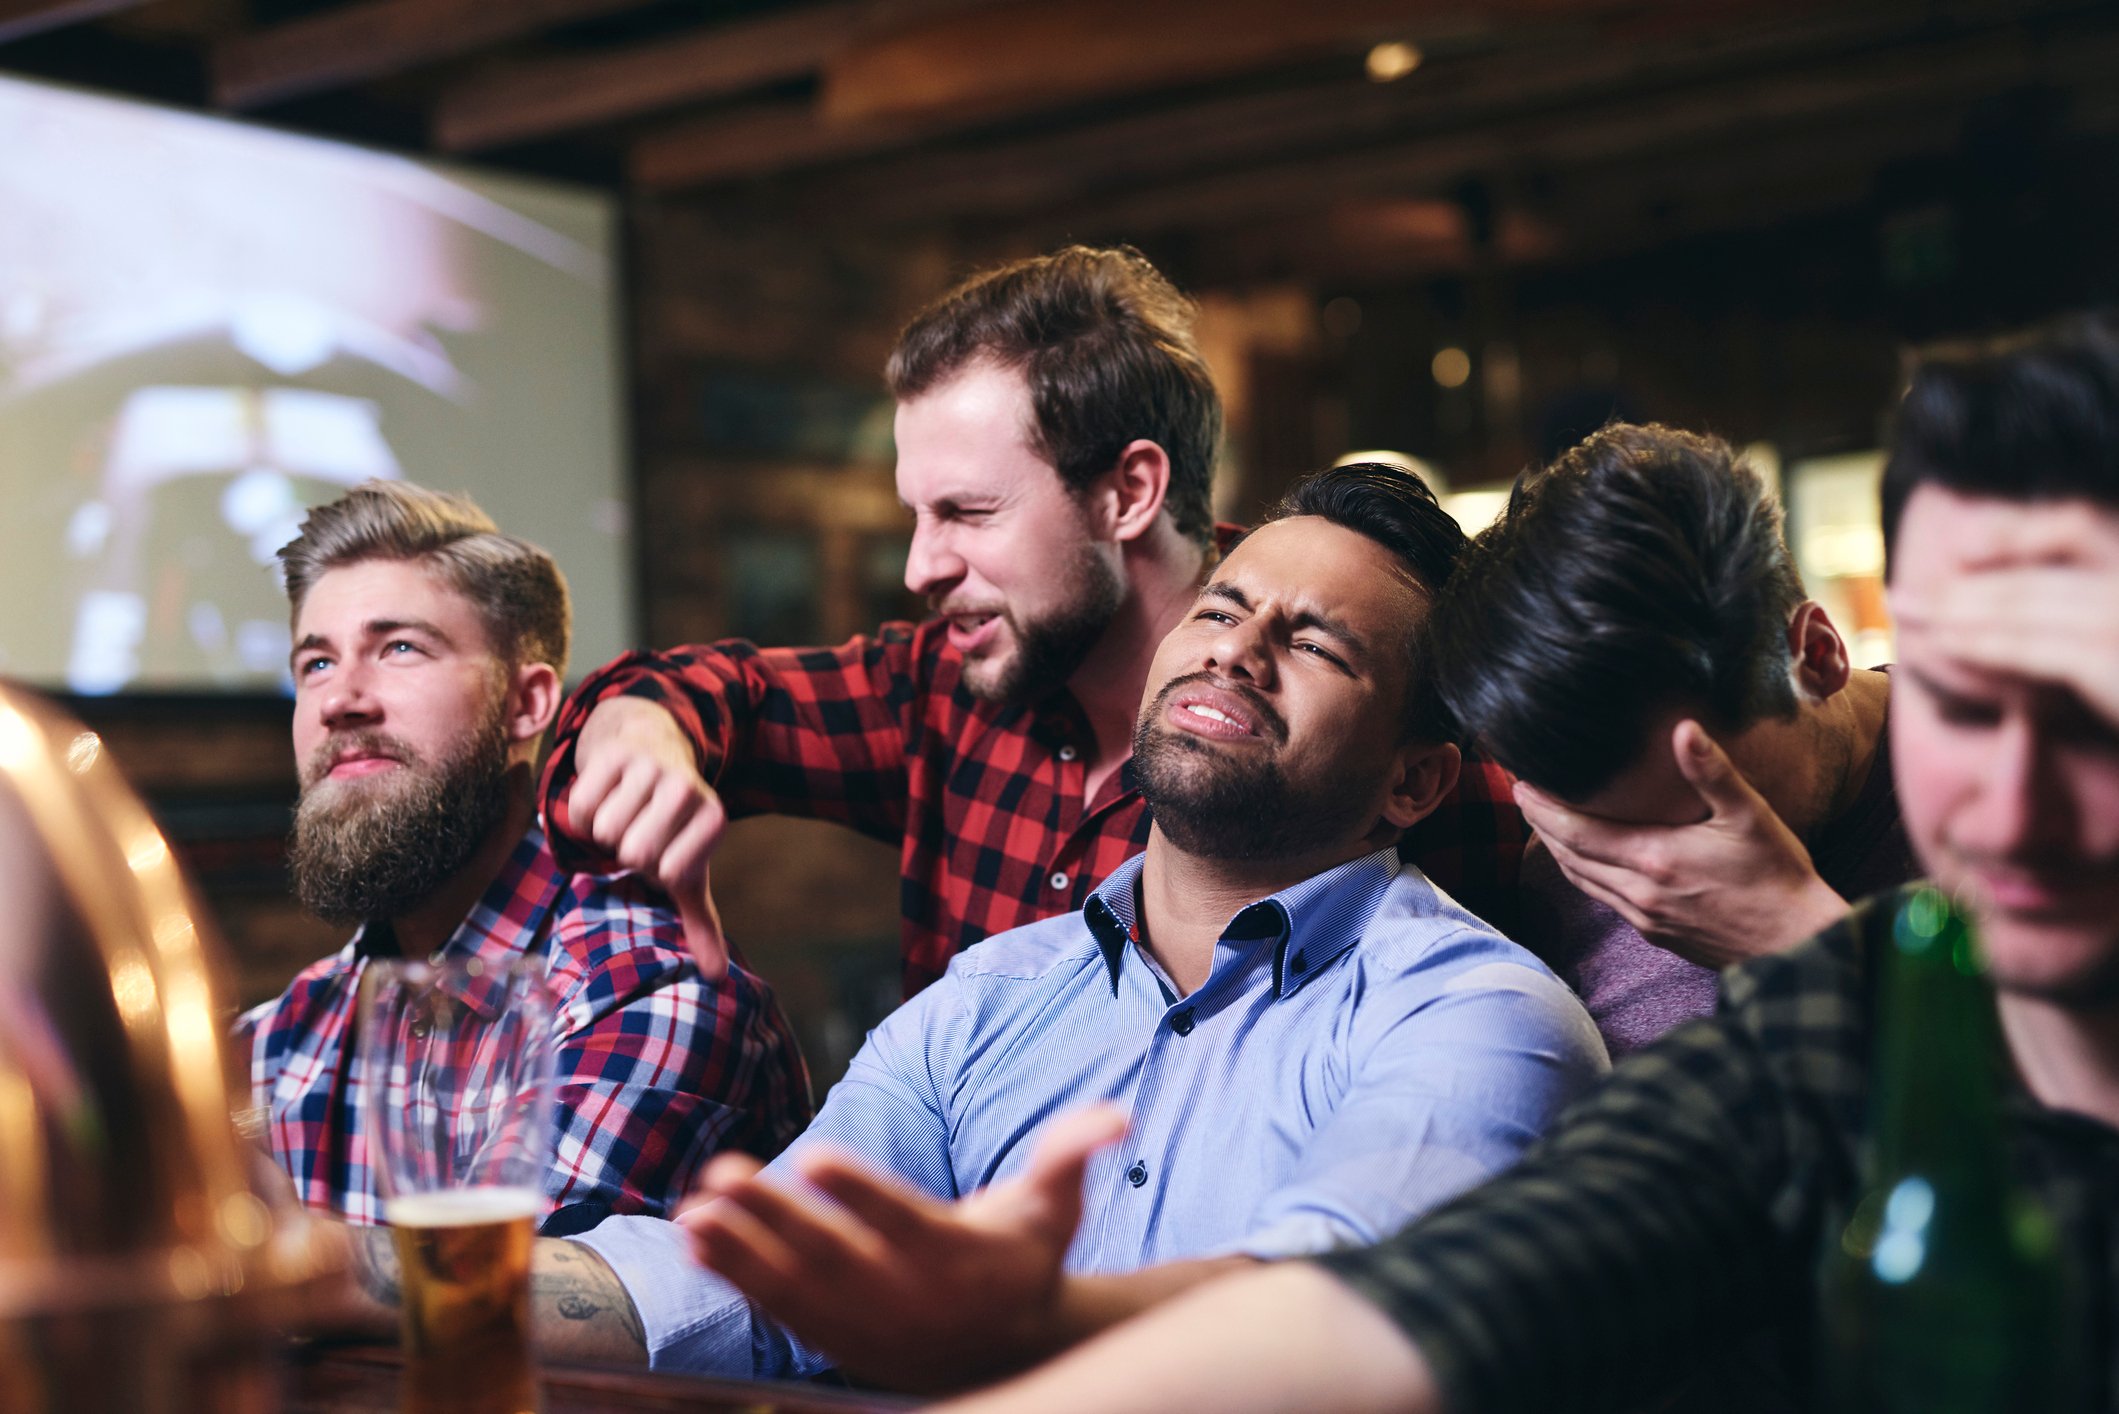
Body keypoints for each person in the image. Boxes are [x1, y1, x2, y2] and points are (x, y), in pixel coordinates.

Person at [934, 313, 2119, 1414]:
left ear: (1819, 651)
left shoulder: (1855, 949)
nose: (2015, 807)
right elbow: (1483, 1281)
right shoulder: (1671, 960)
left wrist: (1789, 929)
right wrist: (1049, 1324)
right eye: (1960, 708)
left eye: (2090, 720)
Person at [559, 464, 1606, 1388]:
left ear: (1414, 782)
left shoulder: (1485, 1014)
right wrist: (406, 1275)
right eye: (1219, 609)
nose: (1238, 651)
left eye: (1318, 642)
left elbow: (1333, 1312)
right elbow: (738, 1283)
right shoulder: (989, 995)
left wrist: (1023, 1324)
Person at [535, 245, 1525, 994]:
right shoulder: (940, 683)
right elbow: (718, 692)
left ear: (1127, 493)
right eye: (917, 516)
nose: (922, 565)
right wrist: (642, 725)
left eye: (968, 513)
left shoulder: (1378, 730)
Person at [239, 480, 811, 1237]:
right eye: (315, 664)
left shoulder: (646, 995)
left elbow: (492, 1305)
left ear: (528, 704)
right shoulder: (279, 1039)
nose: (340, 700)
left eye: (400, 649)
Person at [1425, 424, 1914, 1053]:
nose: (1665, 873)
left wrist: (1795, 935)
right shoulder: (1567, 874)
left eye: (1706, 811)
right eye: (1617, 836)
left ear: (1817, 658)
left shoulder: (2015, 794)